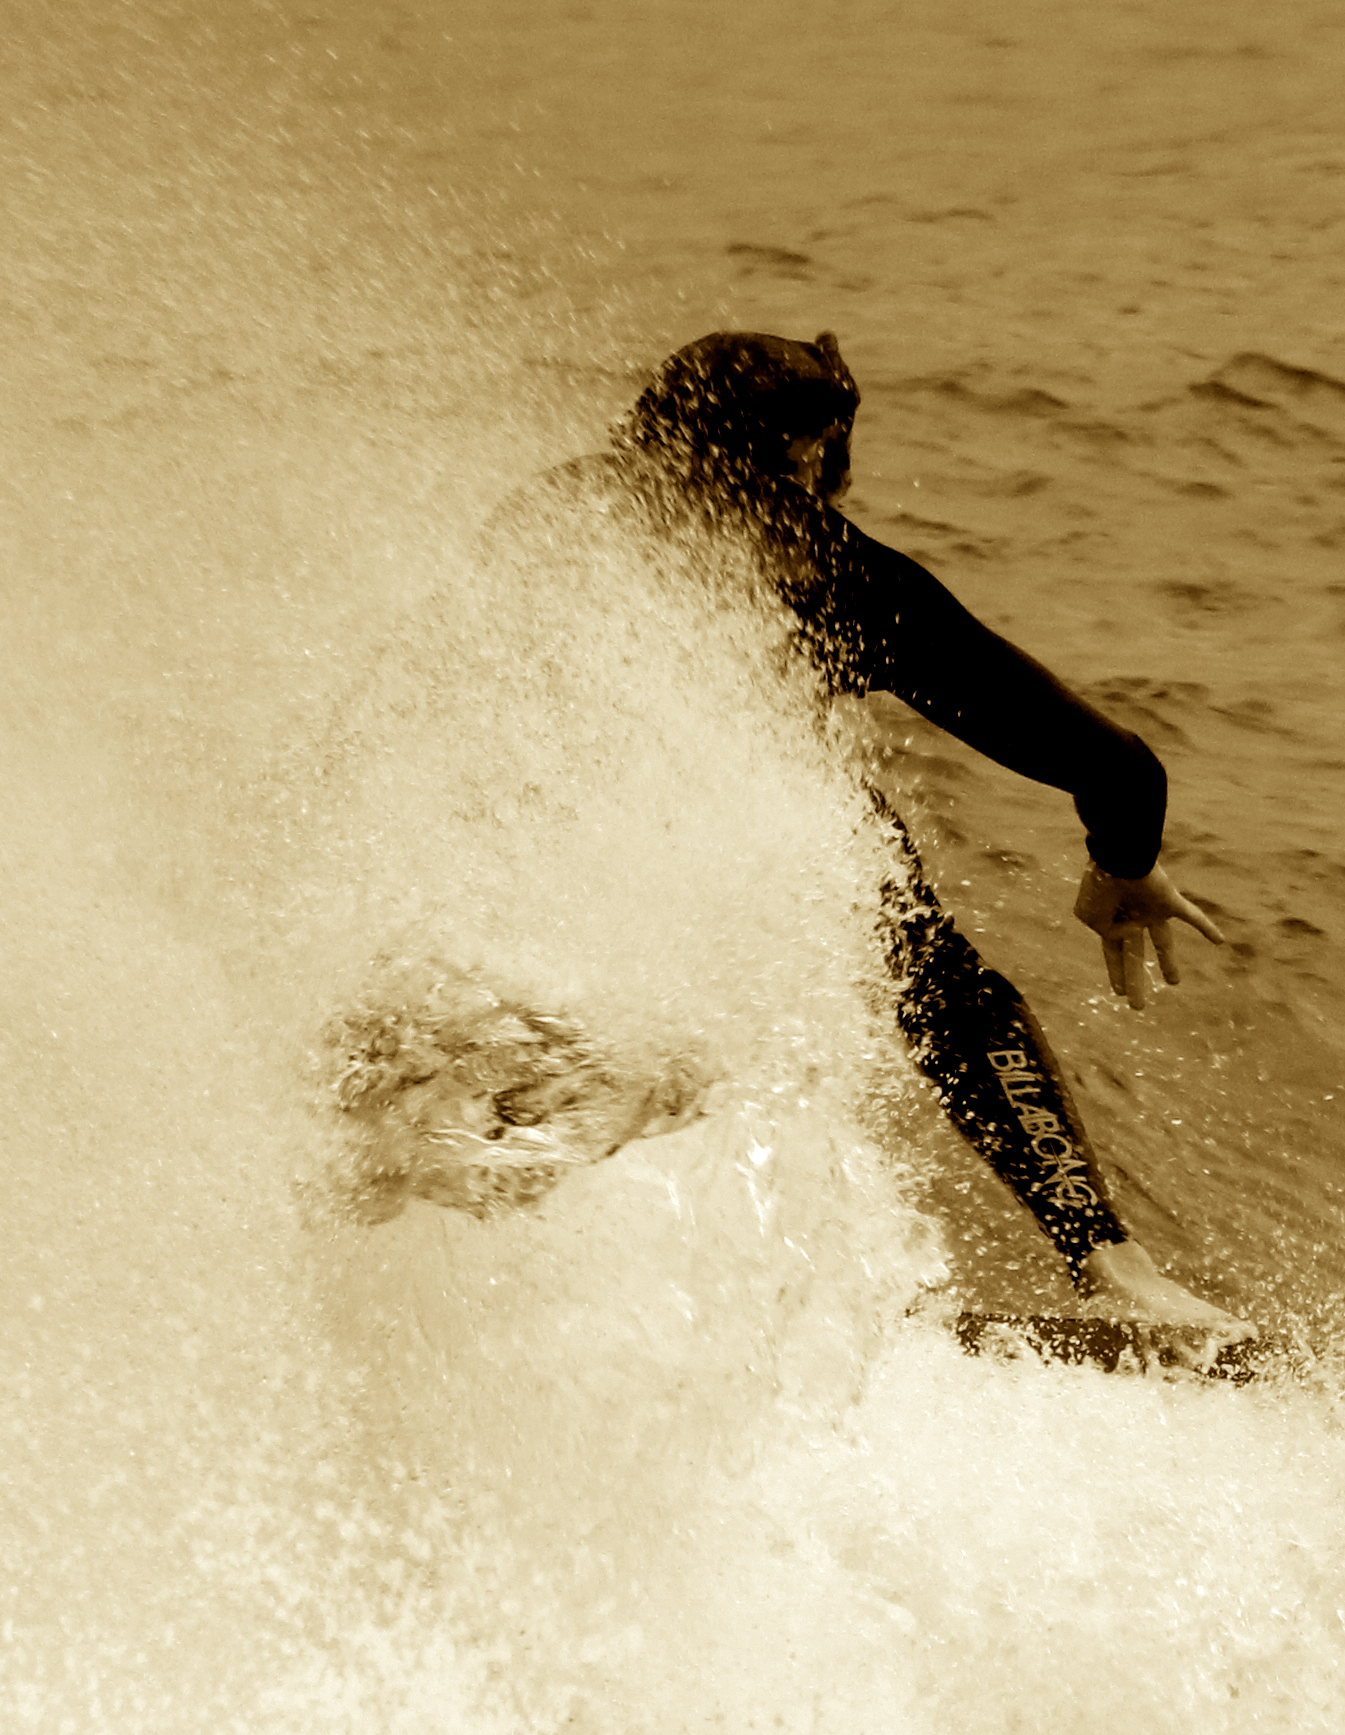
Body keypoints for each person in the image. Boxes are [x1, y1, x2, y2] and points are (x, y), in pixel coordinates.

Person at [512, 330, 1237, 1328]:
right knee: (922, 960)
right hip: (621, 882)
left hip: (487, 863)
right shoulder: (835, 580)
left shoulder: (552, 517)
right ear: (808, 455)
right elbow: (1118, 770)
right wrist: (1121, 864)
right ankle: (1107, 1260)